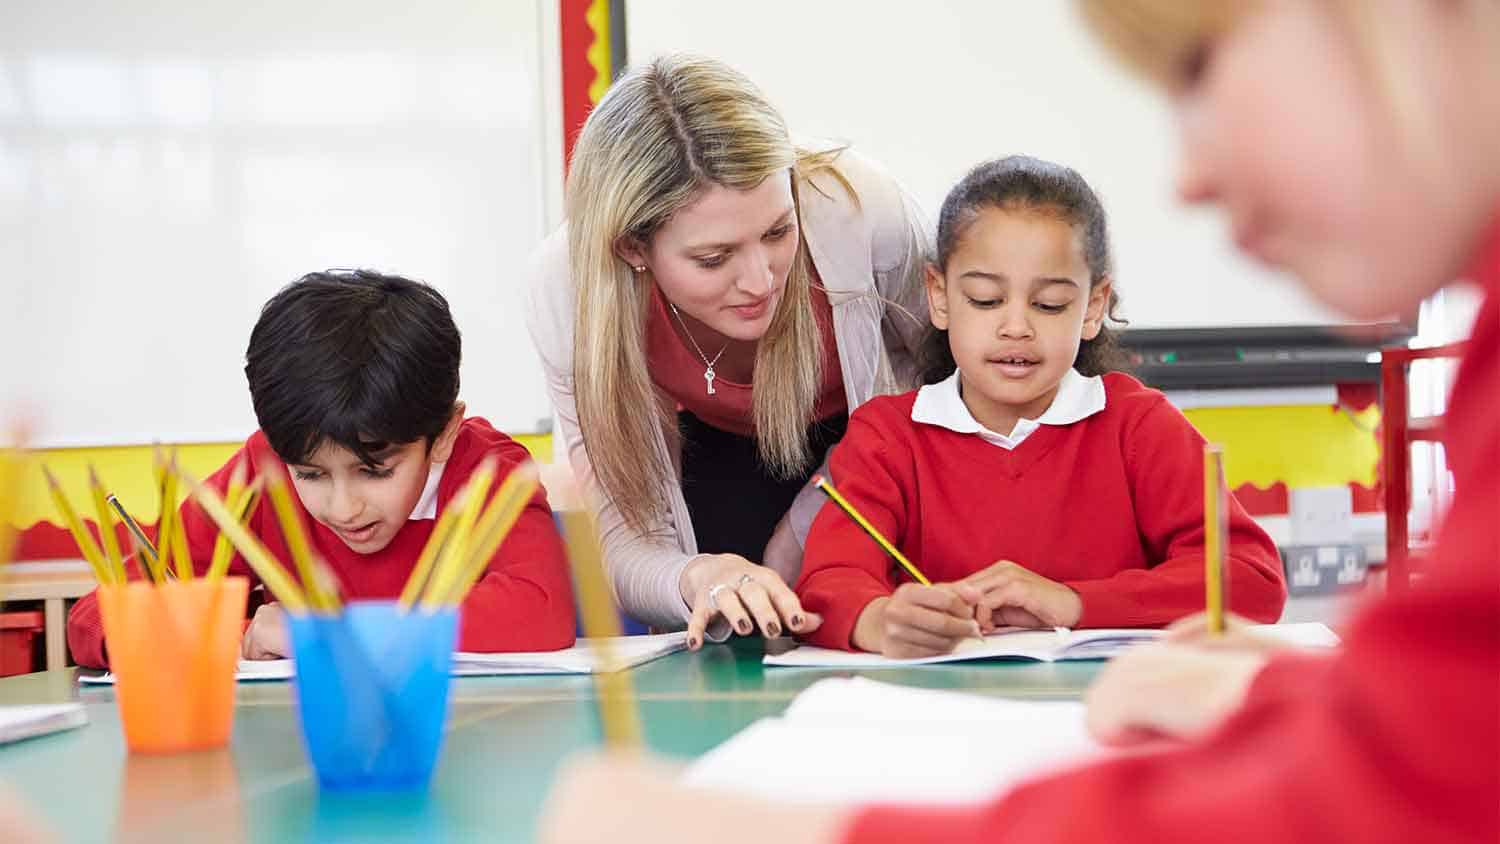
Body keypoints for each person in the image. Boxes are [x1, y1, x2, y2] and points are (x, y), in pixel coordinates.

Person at [538, 1, 1500, 841]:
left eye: (1199, 66)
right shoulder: (884, 433)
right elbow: (1444, 731)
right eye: (713, 258)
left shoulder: (1124, 417)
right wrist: (1289, 695)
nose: (1187, 179)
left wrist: (794, 833)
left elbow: (1383, 773)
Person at [796, 155, 1285, 658]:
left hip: (1108, 713)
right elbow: (827, 584)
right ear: (939, 296)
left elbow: (1251, 579)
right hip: (937, 716)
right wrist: (878, 619)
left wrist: (1074, 603)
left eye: (1049, 304)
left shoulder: (1139, 426)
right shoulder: (888, 435)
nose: (1016, 327)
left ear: (1093, 307)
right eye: (986, 300)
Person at [525, 53, 931, 648]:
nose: (762, 281)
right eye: (713, 259)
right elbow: (623, 534)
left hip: (871, 455)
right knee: (737, 645)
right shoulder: (566, 291)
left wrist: (811, 516)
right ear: (633, 248)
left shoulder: (861, 209)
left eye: (777, 232)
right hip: (710, 459)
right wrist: (697, 576)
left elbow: (955, 385)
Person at [68, 270, 577, 665]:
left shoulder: (486, 470)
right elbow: (97, 615)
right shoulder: (263, 472)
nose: (343, 507)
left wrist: (327, 635)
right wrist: (225, 634)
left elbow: (542, 609)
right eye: (310, 474)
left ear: (442, 434)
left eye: (375, 471)